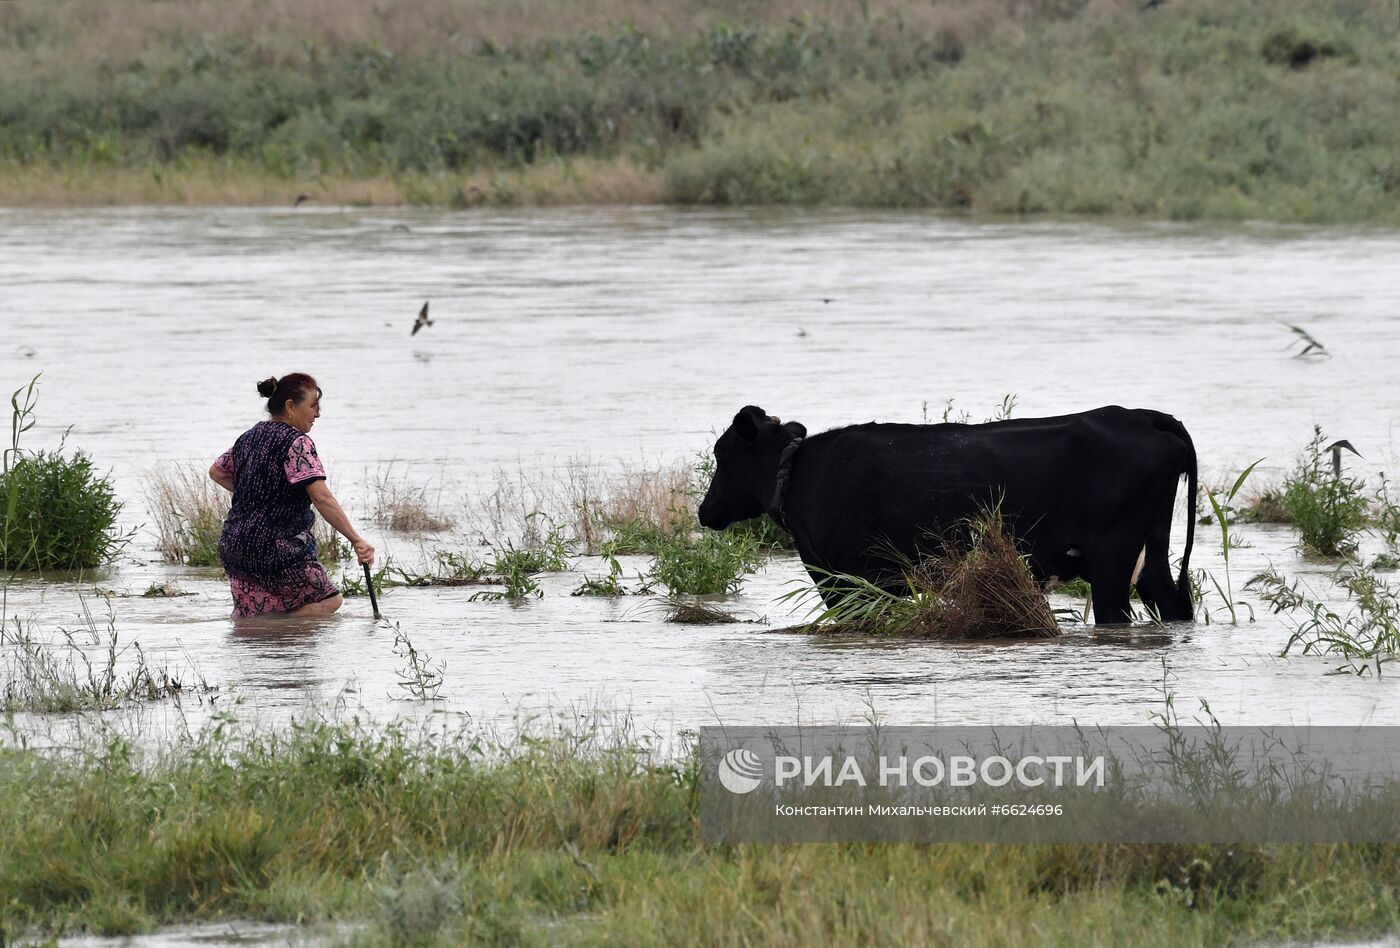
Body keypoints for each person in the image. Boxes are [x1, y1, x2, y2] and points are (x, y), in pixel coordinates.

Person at [209, 373, 374, 617]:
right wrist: (356, 539)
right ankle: (277, 630)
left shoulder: (248, 437)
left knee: (253, 614)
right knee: (329, 601)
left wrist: (260, 495)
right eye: (313, 406)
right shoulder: (298, 442)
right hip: (275, 546)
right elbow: (322, 498)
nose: (317, 414)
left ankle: (255, 646)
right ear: (290, 407)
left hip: (236, 544)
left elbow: (217, 471)